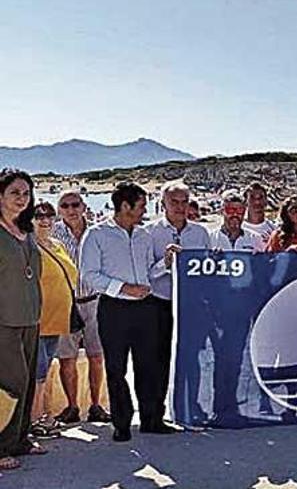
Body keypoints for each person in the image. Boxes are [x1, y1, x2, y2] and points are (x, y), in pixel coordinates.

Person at [80, 182, 170, 441]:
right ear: (125, 206)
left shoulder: (144, 235)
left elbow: (148, 272)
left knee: (148, 365)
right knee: (116, 368)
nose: (144, 211)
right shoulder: (96, 235)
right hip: (114, 308)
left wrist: (164, 263)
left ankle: (151, 419)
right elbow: (88, 274)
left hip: (146, 308)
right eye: (141, 205)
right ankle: (121, 423)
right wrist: (123, 288)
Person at [146, 181, 210, 425]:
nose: (180, 207)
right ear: (163, 204)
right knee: (159, 359)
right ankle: (157, 413)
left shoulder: (200, 233)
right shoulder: (150, 233)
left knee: (192, 358)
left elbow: (207, 270)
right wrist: (166, 263)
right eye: (174, 202)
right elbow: (145, 273)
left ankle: (191, 407)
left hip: (192, 306)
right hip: (161, 304)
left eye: (184, 201)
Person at [52, 191, 111, 425]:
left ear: (84, 206)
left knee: (97, 357)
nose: (71, 209)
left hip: (95, 301)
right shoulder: (53, 234)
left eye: (75, 204)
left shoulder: (98, 232)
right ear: (59, 210)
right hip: (66, 303)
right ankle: (72, 407)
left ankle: (96, 406)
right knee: (68, 359)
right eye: (65, 205)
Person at [0, 169, 45, 471]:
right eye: (15, 192)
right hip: (4, 320)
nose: (21, 198)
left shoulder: (26, 231)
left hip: (30, 317)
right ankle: (2, 445)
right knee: (9, 383)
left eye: (26, 193)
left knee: (27, 381)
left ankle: (20, 439)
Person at [30, 202, 75, 438]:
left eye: (49, 216)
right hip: (37, 320)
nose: (45, 220)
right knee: (36, 374)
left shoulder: (56, 245)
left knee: (44, 371)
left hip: (57, 320)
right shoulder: (27, 246)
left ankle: (39, 416)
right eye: (39, 216)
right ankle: (34, 420)